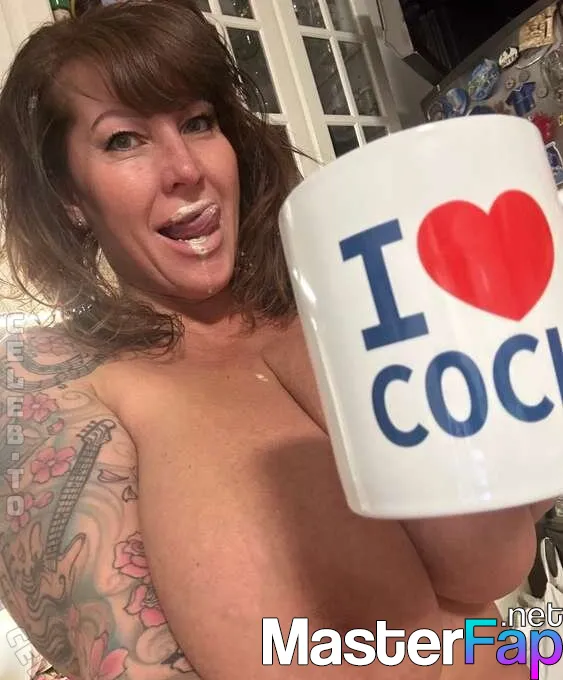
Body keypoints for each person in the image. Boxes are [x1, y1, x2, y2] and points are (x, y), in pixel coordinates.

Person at [0, 1, 552, 678]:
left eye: (197, 122)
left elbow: (494, 573)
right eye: (123, 140)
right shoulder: (56, 387)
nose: (184, 168)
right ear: (68, 196)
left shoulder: (338, 310)